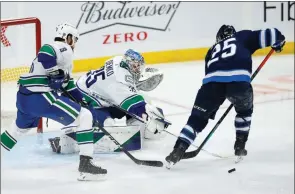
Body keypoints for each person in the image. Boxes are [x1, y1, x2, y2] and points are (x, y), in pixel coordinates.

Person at [165, 25, 286, 168]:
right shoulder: (243, 37)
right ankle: (240, 146)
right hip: (239, 82)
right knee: (244, 111)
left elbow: (211, 75)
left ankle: (178, 150)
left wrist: (211, 107)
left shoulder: (211, 50)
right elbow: (274, 33)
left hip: (211, 85)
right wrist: (278, 43)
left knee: (197, 119)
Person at [0, 23, 107, 181]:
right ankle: (86, 165)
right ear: (67, 37)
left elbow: (68, 85)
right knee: (84, 117)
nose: (74, 43)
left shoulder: (63, 57)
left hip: (24, 98)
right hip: (41, 97)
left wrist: (82, 99)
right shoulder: (62, 47)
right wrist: (54, 72)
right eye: (74, 39)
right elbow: (45, 52)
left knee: (17, 130)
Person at [48, 49, 167, 154]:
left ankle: (138, 127)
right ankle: (69, 141)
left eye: (138, 66)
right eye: (135, 66)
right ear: (127, 64)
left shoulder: (118, 60)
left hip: (101, 97)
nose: (138, 69)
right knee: (107, 125)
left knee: (143, 100)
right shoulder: (119, 81)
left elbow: (122, 90)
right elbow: (131, 103)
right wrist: (147, 115)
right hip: (83, 99)